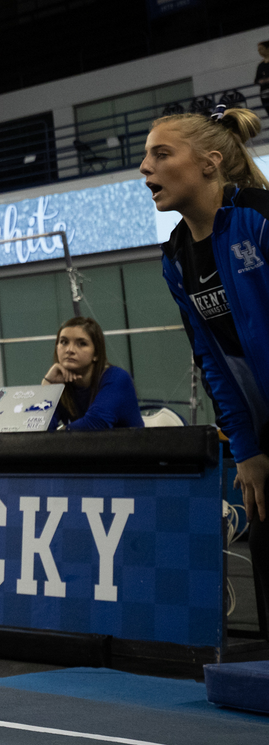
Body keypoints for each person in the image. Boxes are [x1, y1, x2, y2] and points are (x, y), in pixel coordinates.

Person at [144, 103, 269, 639]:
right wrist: (248, 450)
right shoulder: (175, 258)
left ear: (210, 162)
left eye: (161, 154)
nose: (144, 168)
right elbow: (212, 361)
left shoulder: (260, 218)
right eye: (146, 157)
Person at [40, 317, 144, 430]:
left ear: (96, 354)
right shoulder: (61, 383)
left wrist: (60, 432)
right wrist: (48, 384)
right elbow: (39, 425)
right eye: (64, 342)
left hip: (128, 442)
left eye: (81, 344)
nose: (69, 350)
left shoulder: (117, 377)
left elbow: (96, 422)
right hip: (85, 442)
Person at [256, 41, 269, 111]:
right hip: (265, 93)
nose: (260, 51)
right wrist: (261, 81)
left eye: (261, 49)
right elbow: (256, 80)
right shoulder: (261, 65)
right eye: (259, 50)